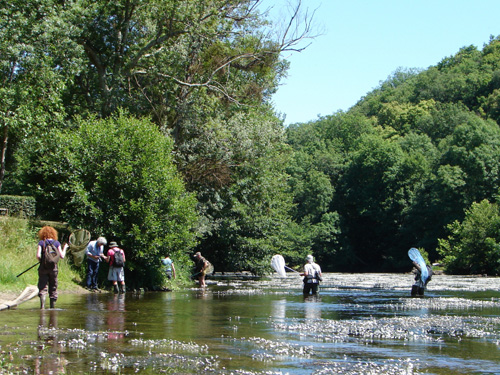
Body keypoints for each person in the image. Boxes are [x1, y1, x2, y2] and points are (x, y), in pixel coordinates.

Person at [36, 226, 68, 309]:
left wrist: (41, 261)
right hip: (53, 268)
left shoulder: (41, 242)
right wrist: (65, 248)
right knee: (53, 287)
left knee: (42, 287)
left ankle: (42, 307)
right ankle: (52, 307)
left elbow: (38, 255)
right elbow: (62, 256)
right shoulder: (56, 243)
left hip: (43, 268)